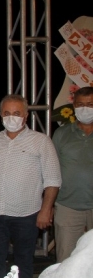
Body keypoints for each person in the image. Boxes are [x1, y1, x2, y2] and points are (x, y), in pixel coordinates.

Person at [0, 94, 61, 278]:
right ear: (1, 115)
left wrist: (46, 210)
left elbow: (52, 179)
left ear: (25, 116)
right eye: (7, 113)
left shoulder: (41, 141)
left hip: (26, 215)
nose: (12, 117)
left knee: (23, 262)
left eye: (17, 113)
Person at [52, 86, 93, 262]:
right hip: (67, 206)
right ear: (74, 106)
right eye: (81, 104)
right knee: (65, 260)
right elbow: (51, 171)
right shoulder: (61, 134)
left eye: (90, 104)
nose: (85, 109)